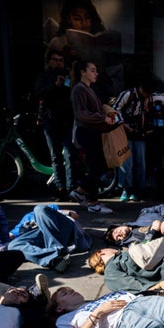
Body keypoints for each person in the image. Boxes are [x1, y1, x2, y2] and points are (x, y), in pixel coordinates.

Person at [68, 60, 115, 214]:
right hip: (86, 132)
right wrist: (102, 118)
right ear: (83, 72)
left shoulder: (88, 89)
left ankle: (82, 191)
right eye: (93, 70)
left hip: (92, 132)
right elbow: (81, 114)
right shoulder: (79, 89)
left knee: (100, 166)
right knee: (96, 166)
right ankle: (92, 201)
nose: (96, 73)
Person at [112, 79, 164, 201]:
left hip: (140, 134)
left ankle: (138, 190)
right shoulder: (129, 94)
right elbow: (115, 108)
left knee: (140, 163)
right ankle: (126, 189)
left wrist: (151, 99)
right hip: (126, 133)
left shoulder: (150, 97)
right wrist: (122, 124)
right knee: (127, 163)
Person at [34, 48, 74, 201]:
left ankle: (71, 188)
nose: (58, 62)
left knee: (70, 154)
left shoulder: (67, 75)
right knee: (56, 156)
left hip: (66, 120)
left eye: (60, 60)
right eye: (55, 59)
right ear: (49, 61)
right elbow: (38, 94)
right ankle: (60, 188)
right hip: (50, 120)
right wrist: (55, 85)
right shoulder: (44, 76)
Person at [6, 204, 92, 272]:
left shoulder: (50, 207)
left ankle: (57, 250)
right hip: (39, 235)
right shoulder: (25, 218)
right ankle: (55, 258)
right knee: (12, 245)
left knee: (39, 209)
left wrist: (63, 212)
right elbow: (12, 235)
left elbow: (75, 215)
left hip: (62, 229)